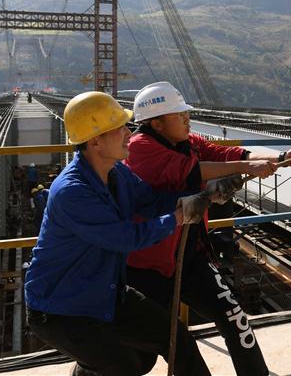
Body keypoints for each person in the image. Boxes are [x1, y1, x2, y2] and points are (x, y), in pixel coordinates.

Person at [24, 91, 227, 376]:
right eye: (119, 128)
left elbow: (152, 201)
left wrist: (201, 195)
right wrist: (181, 216)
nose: (129, 133)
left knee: (173, 342)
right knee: (123, 367)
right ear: (95, 141)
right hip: (62, 310)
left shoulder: (117, 173)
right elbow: (126, 237)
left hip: (106, 294)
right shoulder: (73, 192)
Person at [124, 81, 291, 376]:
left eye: (186, 114)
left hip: (189, 255)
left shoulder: (187, 142)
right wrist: (248, 169)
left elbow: (222, 154)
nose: (187, 119)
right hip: (148, 267)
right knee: (142, 355)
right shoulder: (139, 148)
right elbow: (190, 170)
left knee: (235, 319)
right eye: (179, 115)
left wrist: (280, 159)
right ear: (157, 123)